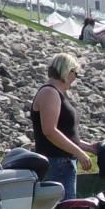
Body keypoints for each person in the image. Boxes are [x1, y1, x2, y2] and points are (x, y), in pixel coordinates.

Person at [30, 53, 98, 200]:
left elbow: (65, 133)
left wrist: (90, 148)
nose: (75, 78)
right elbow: (50, 131)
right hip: (56, 163)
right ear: (67, 71)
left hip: (63, 163)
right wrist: (79, 153)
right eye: (75, 73)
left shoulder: (57, 93)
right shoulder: (49, 92)